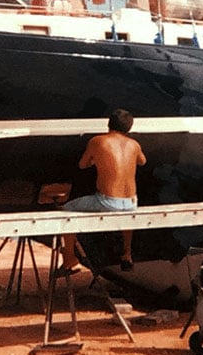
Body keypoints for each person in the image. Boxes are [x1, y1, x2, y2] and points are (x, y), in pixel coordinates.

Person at [58, 108, 147, 275]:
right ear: (129, 128)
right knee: (128, 214)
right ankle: (126, 254)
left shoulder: (98, 141)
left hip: (107, 201)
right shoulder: (134, 145)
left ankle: (69, 258)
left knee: (66, 210)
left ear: (108, 124)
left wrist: (96, 160)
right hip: (131, 202)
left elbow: (82, 165)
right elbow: (142, 161)